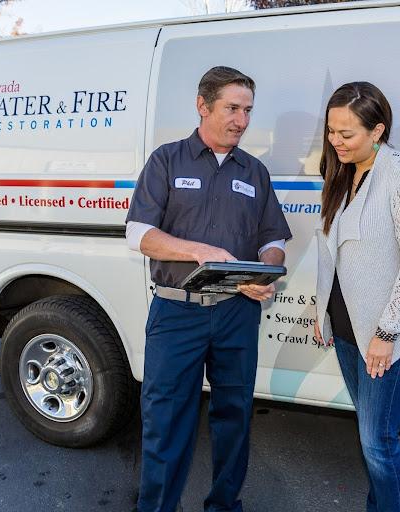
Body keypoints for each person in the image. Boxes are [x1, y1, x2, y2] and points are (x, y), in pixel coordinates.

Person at [125, 66, 292, 512]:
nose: (242, 120)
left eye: (248, 111)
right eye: (232, 108)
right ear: (203, 106)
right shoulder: (167, 160)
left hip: (237, 313)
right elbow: (138, 234)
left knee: (234, 417)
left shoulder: (254, 172)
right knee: (165, 419)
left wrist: (266, 271)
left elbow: (273, 240)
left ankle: (224, 505)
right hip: (177, 313)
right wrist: (199, 251)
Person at [314, 81, 400, 512]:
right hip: (348, 330)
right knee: (372, 438)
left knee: (377, 441)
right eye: (331, 131)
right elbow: (332, 249)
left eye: (347, 134)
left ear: (377, 130)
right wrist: (322, 310)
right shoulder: (342, 172)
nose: (336, 141)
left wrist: (386, 333)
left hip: (386, 336)